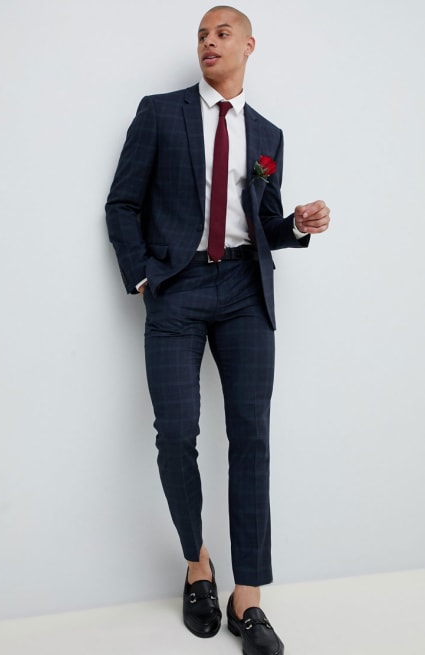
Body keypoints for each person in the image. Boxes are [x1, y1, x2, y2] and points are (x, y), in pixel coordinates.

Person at [105, 6, 330, 654]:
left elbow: (263, 224)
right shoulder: (159, 113)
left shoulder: (267, 134)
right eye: (201, 34)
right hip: (176, 288)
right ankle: (197, 563)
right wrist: (143, 276)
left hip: (243, 291)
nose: (208, 42)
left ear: (249, 46)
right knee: (176, 432)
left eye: (221, 33)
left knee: (251, 438)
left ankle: (247, 598)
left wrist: (295, 225)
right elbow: (122, 203)